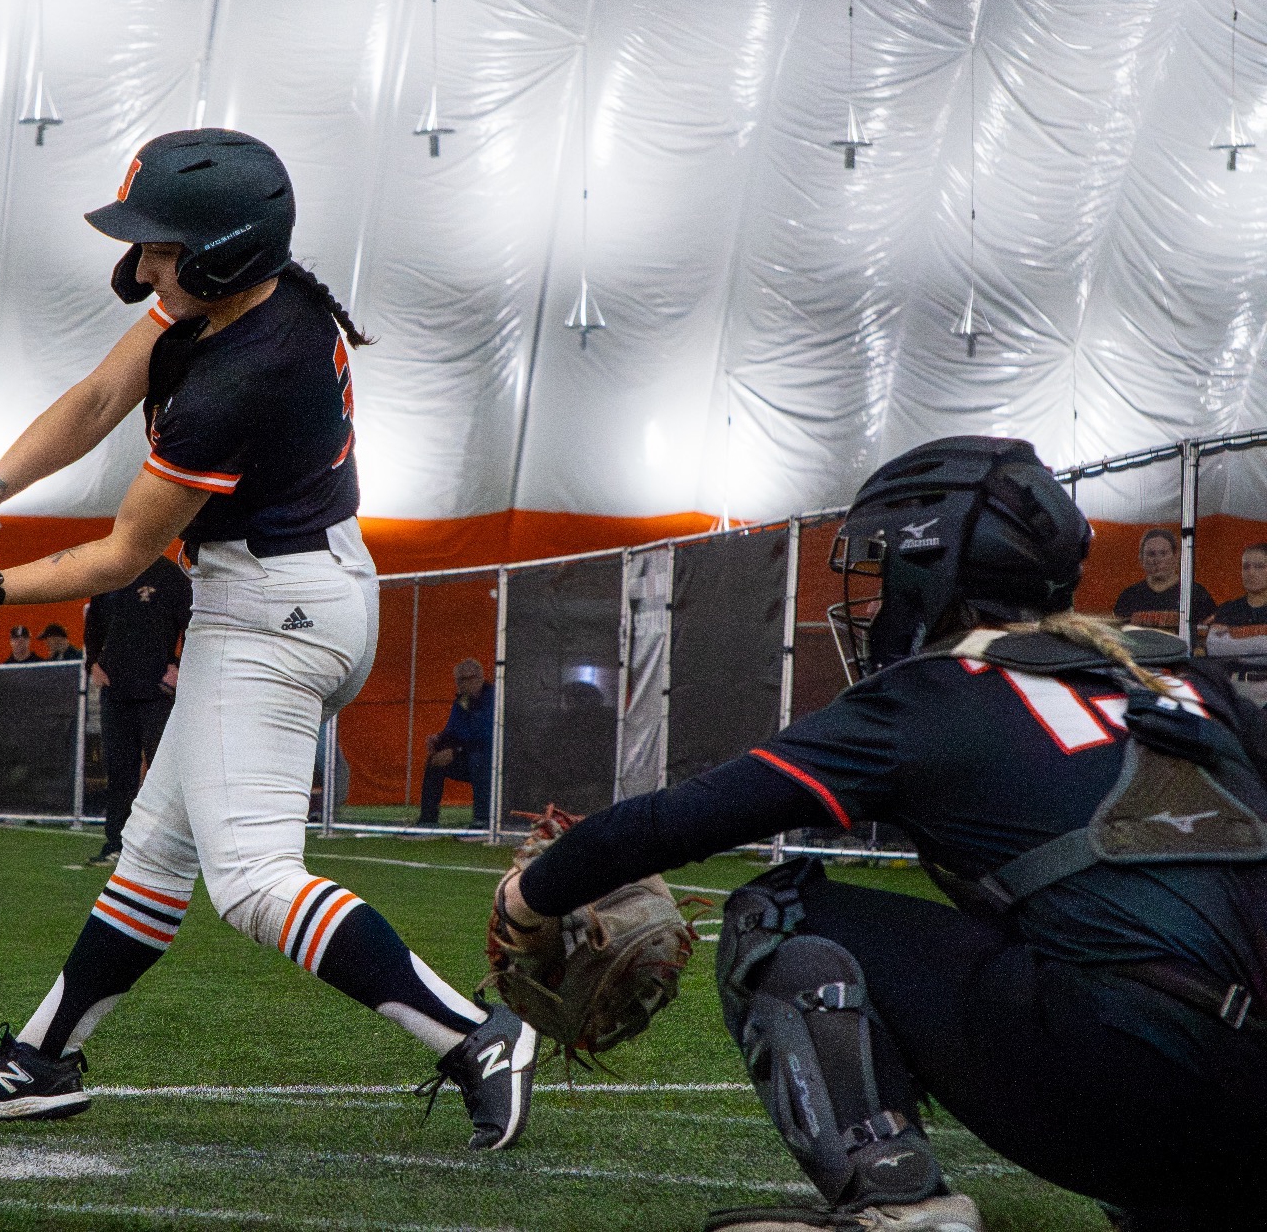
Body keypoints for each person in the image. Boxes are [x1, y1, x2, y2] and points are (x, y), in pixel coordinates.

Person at [0, 129, 535, 1149]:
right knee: (152, 857)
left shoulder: (246, 372)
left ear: (222, 253)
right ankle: (41, 1059)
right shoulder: (231, 301)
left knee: (249, 881)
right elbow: (99, 396)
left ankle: (475, 1036)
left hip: (279, 617)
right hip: (284, 594)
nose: (143, 265)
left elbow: (120, 556)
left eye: (160, 248)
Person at [495, 436, 1267, 1232]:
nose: (876, 596)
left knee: (777, 912)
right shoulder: (1187, 678)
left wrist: (529, 896)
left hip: (1130, 1082)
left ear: (927, 568)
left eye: (883, 568)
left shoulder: (931, 694)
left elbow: (678, 819)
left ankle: (902, 1199)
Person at [83, 554, 192, 866]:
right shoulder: (113, 570)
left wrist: (179, 668)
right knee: (118, 772)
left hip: (156, 691)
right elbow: (94, 624)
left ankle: (164, 849)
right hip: (115, 690)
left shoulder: (172, 577)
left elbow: (194, 627)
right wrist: (94, 664)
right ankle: (116, 844)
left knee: (161, 772)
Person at [415, 658, 494, 828]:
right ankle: (427, 819)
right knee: (434, 763)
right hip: (469, 756)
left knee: (478, 760)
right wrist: (438, 740)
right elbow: (453, 731)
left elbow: (487, 738)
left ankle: (483, 819)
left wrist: (456, 751)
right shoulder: (462, 702)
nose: (464, 685)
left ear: (480, 678)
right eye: (460, 681)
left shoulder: (493, 699)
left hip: (493, 762)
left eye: (468, 679)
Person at [1114, 527, 1215, 637]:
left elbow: (1207, 632)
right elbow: (1117, 634)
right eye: (1151, 554)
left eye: (1163, 553)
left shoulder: (1195, 593)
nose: (1157, 560)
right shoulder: (1129, 595)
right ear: (1141, 559)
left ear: (1175, 556)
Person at [1207, 543, 1267, 709]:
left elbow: (1228, 647)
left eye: (1260, 566)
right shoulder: (1229, 609)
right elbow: (1216, 648)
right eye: (1246, 567)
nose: (1251, 572)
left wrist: (1234, 642)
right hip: (1234, 691)